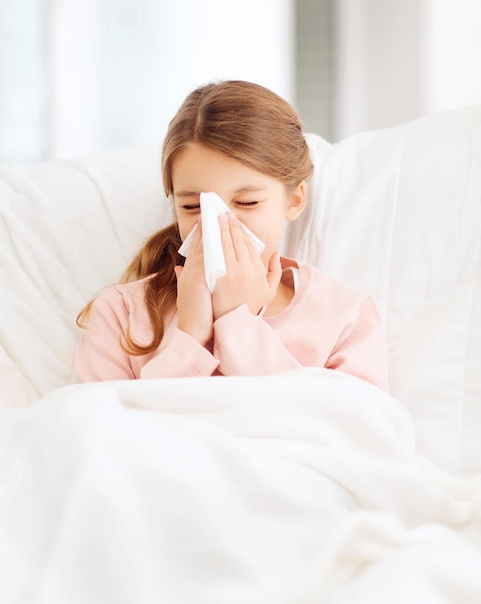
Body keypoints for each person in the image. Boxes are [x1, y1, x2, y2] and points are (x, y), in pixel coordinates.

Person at [75, 80, 389, 390]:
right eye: (193, 206)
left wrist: (238, 325)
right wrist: (190, 337)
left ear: (293, 200)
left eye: (247, 202)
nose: (218, 224)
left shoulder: (345, 318)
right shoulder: (121, 315)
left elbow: (349, 433)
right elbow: (107, 434)